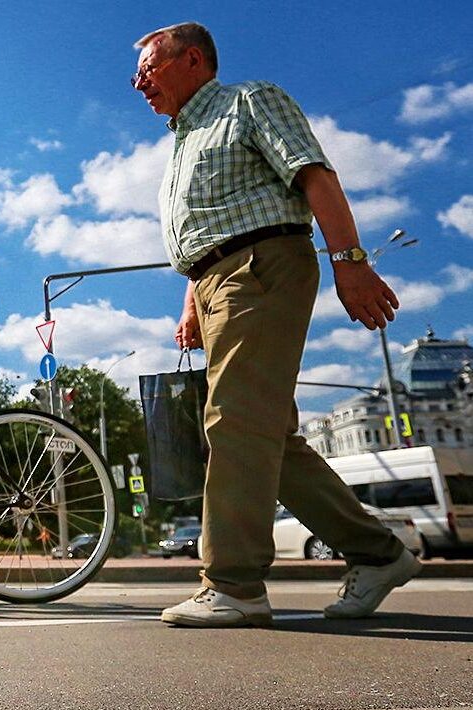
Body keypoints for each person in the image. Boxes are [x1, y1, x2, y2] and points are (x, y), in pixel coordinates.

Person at [131, 22, 421, 627]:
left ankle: (233, 586)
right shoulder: (181, 143)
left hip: (261, 267)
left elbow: (315, 175)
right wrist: (192, 301)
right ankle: (379, 554)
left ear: (191, 60)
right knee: (264, 437)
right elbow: (207, 228)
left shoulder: (247, 101)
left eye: (149, 68)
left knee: (233, 422)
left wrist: (351, 262)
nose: (139, 83)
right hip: (216, 281)